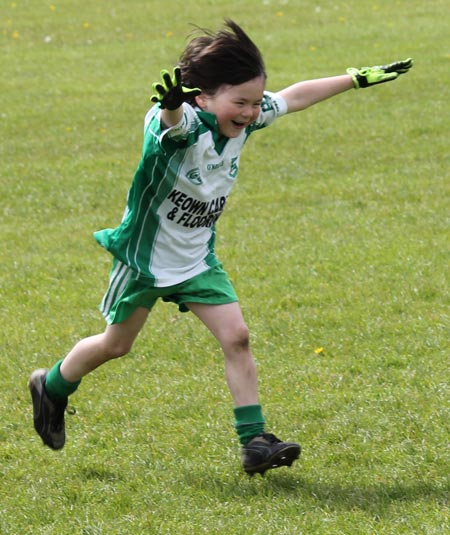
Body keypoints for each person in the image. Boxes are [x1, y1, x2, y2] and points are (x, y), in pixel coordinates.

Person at [29, 19, 413, 476]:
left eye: (254, 102)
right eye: (241, 102)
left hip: (196, 258)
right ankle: (51, 386)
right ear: (203, 97)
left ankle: (254, 442)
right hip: (145, 259)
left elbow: (296, 95)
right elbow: (169, 128)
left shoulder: (244, 119)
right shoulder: (179, 121)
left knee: (237, 336)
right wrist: (171, 108)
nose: (251, 112)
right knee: (116, 345)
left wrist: (355, 79)